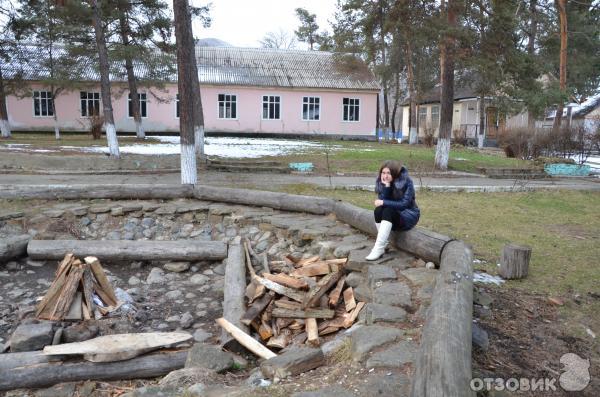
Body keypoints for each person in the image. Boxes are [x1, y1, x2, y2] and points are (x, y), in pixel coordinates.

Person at [366, 160, 420, 260]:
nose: (385, 176)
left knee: (387, 210)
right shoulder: (383, 182)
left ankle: (378, 248)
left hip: (408, 215)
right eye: (383, 173)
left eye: (388, 173)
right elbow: (382, 201)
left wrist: (384, 202)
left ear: (395, 173)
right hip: (393, 215)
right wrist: (387, 186)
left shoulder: (407, 182)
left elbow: (404, 204)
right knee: (378, 210)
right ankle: (384, 243)